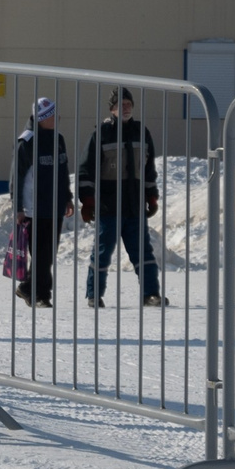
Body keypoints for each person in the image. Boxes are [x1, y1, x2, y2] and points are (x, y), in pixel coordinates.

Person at [80, 89, 164, 308]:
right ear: (112, 109)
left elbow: (148, 169)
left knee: (143, 253)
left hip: (134, 206)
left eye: (128, 104)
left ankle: (150, 294)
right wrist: (87, 201)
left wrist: (152, 196)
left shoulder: (141, 132)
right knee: (102, 253)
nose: (126, 108)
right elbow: (86, 170)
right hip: (108, 206)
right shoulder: (102, 133)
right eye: (121, 104)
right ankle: (94, 295)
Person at [10, 96, 76, 307]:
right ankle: (39, 295)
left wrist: (67, 198)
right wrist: (18, 207)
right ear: (41, 119)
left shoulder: (58, 138)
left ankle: (29, 288)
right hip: (34, 208)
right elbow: (16, 177)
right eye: (52, 115)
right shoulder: (27, 142)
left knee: (49, 253)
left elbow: (63, 171)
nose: (57, 118)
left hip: (54, 205)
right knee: (40, 253)